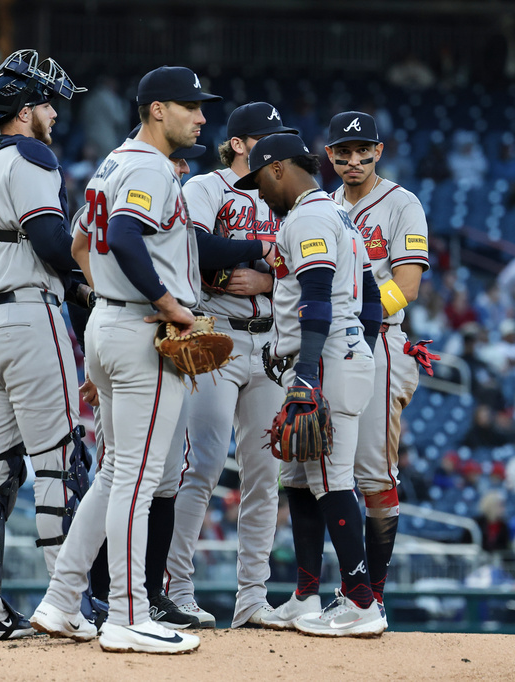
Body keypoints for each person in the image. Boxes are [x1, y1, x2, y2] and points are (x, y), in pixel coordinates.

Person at [34, 65, 219, 655]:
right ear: (157, 109)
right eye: (192, 106)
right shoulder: (148, 166)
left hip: (113, 326)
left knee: (116, 474)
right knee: (138, 479)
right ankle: (127, 613)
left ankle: (62, 600)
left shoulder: (114, 161)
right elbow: (122, 233)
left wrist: (108, 303)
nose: (202, 117)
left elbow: (81, 244)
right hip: (144, 330)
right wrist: (168, 305)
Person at [0, 49, 91, 644]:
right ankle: (64, 603)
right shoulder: (32, 154)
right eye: (48, 104)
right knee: (58, 464)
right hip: (29, 319)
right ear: (25, 107)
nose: (55, 115)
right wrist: (92, 276)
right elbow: (50, 238)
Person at [150, 103, 295, 630]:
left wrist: (269, 279)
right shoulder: (205, 189)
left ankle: (252, 597)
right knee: (203, 466)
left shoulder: (287, 194)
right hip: (216, 336)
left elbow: (310, 265)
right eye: (266, 137)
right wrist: (263, 250)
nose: (277, 147)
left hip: (272, 342)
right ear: (239, 143)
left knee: (264, 476)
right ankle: (177, 588)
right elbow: (196, 245)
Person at [234, 132, 385, 637]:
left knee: (329, 477)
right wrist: (353, 343)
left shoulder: (311, 216)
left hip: (323, 361)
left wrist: (310, 374)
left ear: (277, 168)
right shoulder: (334, 213)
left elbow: (318, 298)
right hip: (333, 354)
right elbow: (368, 298)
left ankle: (362, 602)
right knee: (299, 477)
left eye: (258, 181)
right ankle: (305, 595)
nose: (258, 193)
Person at [323, 111, 432, 627]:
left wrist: (353, 309)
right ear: (329, 156)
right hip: (329, 343)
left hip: (382, 342)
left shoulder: (401, 203)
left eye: (361, 149)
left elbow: (407, 287)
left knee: (372, 472)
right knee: (322, 468)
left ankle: (374, 597)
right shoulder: (323, 205)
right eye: (342, 151)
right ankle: (351, 591)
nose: (352, 159)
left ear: (379, 150)